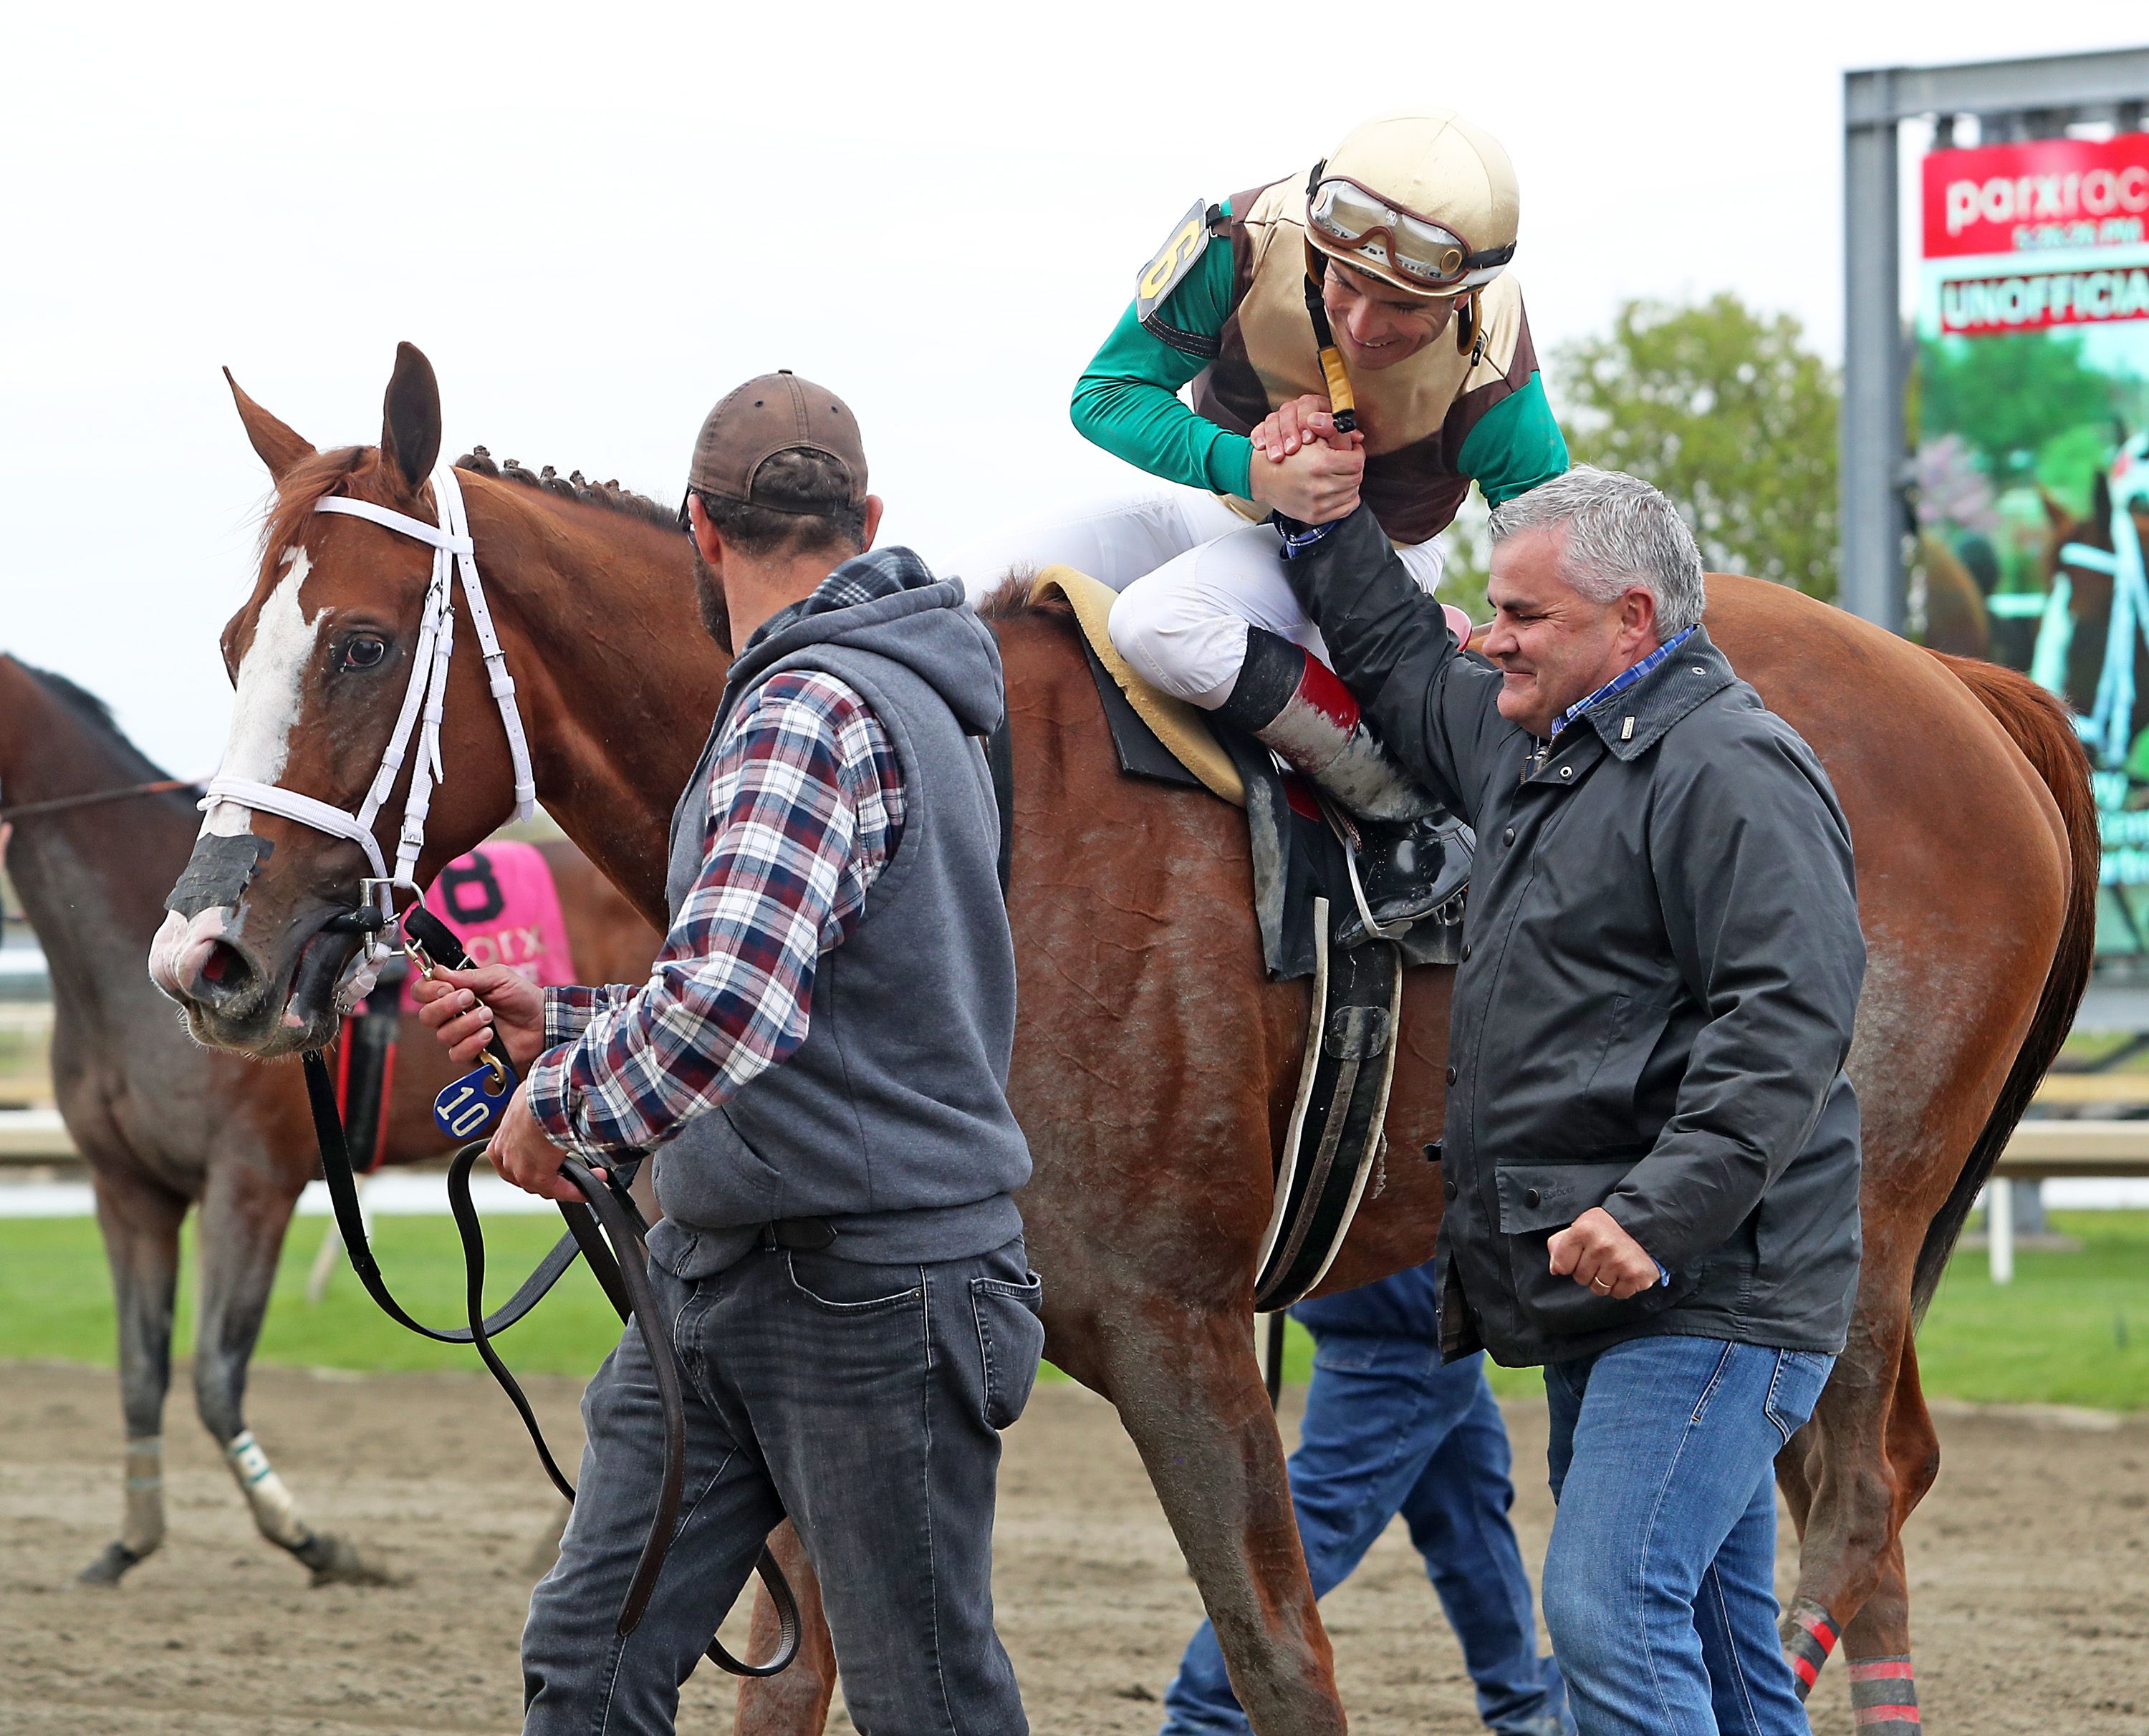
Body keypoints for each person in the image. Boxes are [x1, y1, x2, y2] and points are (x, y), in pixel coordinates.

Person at [411, 372, 1042, 1735]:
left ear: (698, 526)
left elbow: (726, 1010)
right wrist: (563, 1022)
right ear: (867, 516)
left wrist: (560, 1103)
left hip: (867, 1293)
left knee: (923, 1701)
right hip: (740, 1270)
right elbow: (815, 1007)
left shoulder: (799, 712)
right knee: (587, 1655)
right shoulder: (907, 699)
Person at [1267, 466, 1865, 1736]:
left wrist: (1654, 1212)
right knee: (1714, 1637)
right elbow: (1407, 667)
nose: (1489, 636)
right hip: (1605, 1278)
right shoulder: (1539, 742)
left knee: (1607, 1604)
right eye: (1493, 608)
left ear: (1633, 619)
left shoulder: (1736, 767)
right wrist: (1321, 524)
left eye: (1524, 614)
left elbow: (1789, 1021)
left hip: (1710, 1281)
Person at [950, 109, 1567, 934]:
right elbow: (1103, 394)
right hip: (1215, 506)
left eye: (1402, 308)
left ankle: (1402, 806)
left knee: (1158, 623)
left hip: (1381, 561)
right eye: (1343, 282)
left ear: (1466, 294)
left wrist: (1494, 643)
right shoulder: (1238, 239)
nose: (1360, 326)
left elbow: (1551, 541)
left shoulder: (1492, 358)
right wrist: (1252, 468)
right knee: (949, 598)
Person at [1160, 1263, 1569, 1736]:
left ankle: (1526, 1702)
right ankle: (1205, 1714)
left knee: (1468, 1513)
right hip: (1411, 1318)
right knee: (1320, 1520)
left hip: (1411, 1315)